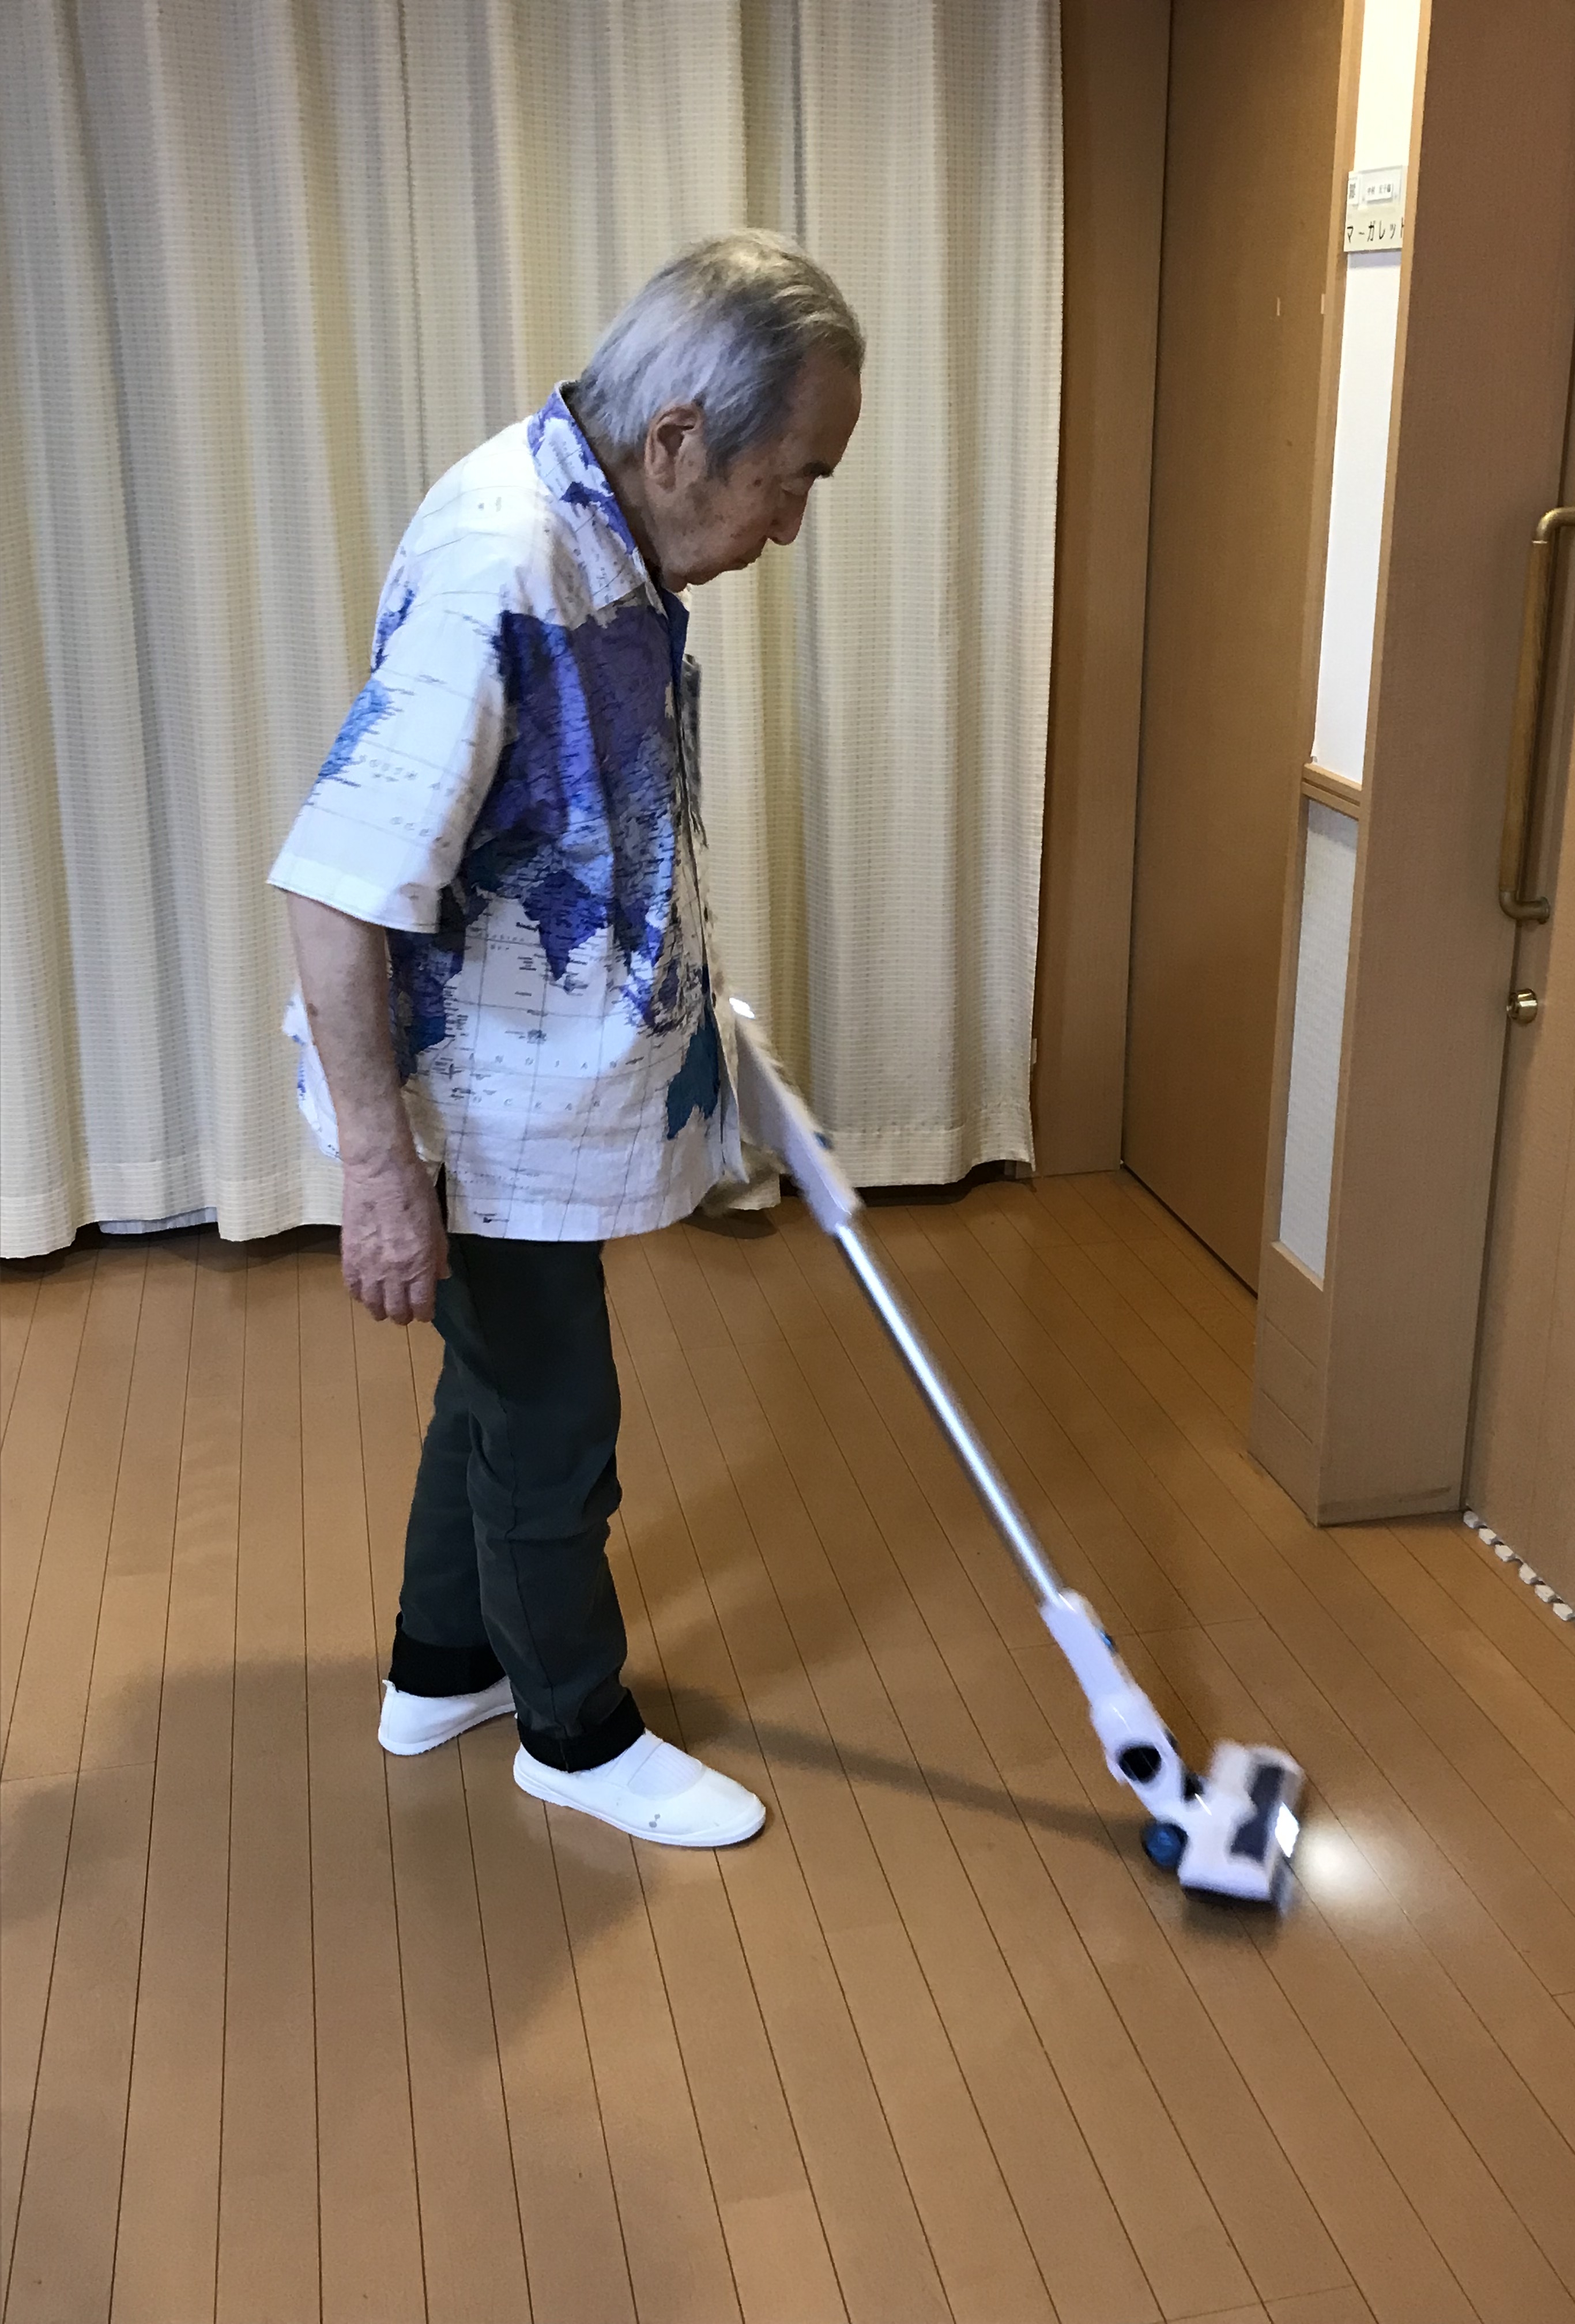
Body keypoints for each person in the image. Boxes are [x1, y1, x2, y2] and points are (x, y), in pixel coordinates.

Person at [269, 232, 863, 1847]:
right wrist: (382, 1175)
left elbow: (582, 824)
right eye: (790, 482)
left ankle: (442, 1664)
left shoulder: (607, 536)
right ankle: (575, 1735)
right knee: (551, 1421)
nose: (790, 525)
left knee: (495, 1388)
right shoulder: (509, 566)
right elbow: (336, 886)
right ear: (678, 438)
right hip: (474, 1106)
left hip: (538, 1072)